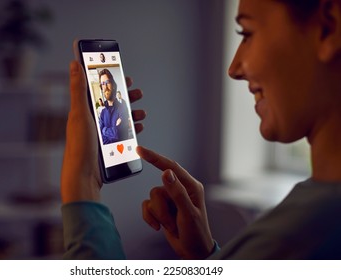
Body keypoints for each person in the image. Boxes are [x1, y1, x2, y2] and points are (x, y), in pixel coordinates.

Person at [61, 0, 341, 260]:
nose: (233, 68)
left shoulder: (300, 239)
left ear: (329, 27)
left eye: (247, 32)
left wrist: (82, 183)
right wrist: (206, 256)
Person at [98, 69, 130, 144]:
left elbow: (120, 135)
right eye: (102, 84)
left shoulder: (123, 108)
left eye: (107, 82)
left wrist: (104, 130)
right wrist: (113, 130)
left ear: (113, 85)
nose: (105, 87)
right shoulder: (103, 113)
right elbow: (101, 137)